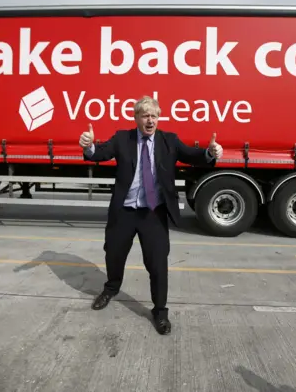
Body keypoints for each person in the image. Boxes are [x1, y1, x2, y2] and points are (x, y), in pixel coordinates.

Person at [78, 95, 223, 334]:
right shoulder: (122, 138)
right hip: (124, 211)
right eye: (145, 115)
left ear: (159, 118)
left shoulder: (169, 141)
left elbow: (193, 155)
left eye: (154, 115)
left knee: (157, 262)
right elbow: (99, 153)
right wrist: (89, 146)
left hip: (153, 213)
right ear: (136, 118)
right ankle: (111, 288)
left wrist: (210, 152)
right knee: (113, 253)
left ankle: (160, 311)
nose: (150, 120)